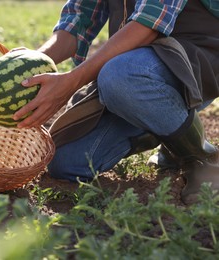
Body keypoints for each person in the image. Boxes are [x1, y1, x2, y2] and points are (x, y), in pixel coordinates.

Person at [12, 0, 219, 204]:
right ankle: (170, 135)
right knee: (66, 161)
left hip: (196, 55)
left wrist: (70, 82)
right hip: (134, 68)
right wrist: (29, 65)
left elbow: (147, 25)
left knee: (118, 77)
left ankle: (202, 159)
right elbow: (76, 22)